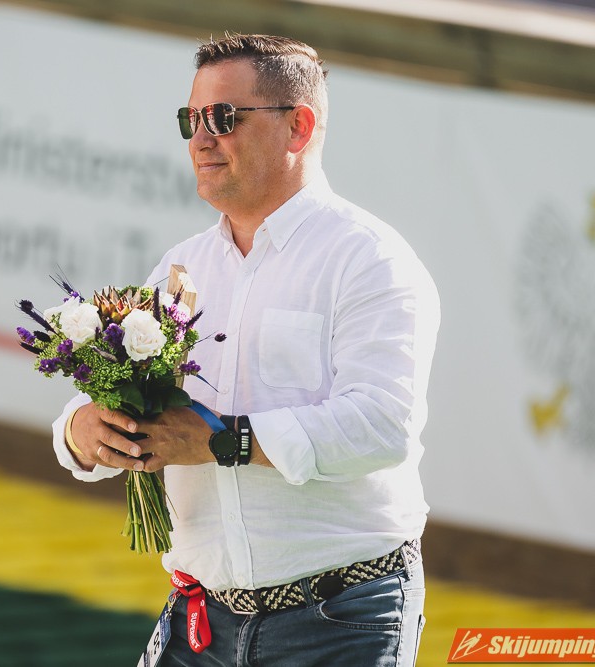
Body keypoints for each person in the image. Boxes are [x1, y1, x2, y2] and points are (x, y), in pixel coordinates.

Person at [51, 33, 440, 666]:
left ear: (298, 127)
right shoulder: (181, 265)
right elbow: (102, 398)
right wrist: (83, 428)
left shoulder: (370, 259)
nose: (201, 140)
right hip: (200, 619)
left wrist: (221, 441)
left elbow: (380, 426)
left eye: (224, 117)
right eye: (192, 119)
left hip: (340, 621)